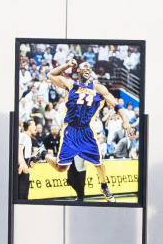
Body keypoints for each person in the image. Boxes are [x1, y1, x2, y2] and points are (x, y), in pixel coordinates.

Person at [44, 58, 130, 202]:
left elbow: (116, 105)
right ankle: (43, 154)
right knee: (61, 168)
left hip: (85, 131)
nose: (87, 69)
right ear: (78, 70)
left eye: (89, 67)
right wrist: (66, 65)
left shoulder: (98, 88)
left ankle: (104, 186)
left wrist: (125, 120)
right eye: (84, 67)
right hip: (70, 130)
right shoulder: (70, 84)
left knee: (99, 163)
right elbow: (51, 75)